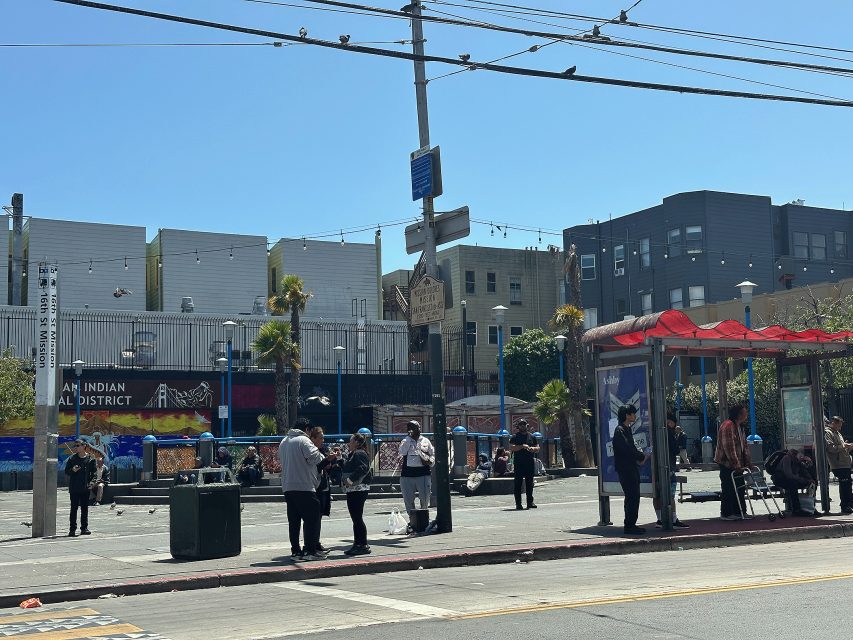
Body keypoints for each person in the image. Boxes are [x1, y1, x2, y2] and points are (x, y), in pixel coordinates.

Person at [279, 418, 326, 561]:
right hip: (304, 486)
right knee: (312, 518)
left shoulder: (283, 442)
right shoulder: (303, 440)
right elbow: (316, 458)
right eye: (310, 431)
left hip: (288, 486)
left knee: (294, 521)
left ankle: (295, 551)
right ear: (306, 429)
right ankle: (310, 551)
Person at [612, 405, 649, 534]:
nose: (635, 416)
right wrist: (641, 455)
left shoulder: (626, 429)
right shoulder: (620, 430)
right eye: (633, 413)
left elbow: (630, 448)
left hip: (630, 467)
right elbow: (627, 449)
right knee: (632, 496)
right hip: (625, 469)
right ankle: (629, 525)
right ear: (627, 415)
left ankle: (631, 523)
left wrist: (640, 456)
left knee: (633, 496)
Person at [714, 403, 752, 521]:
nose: (747, 415)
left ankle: (739, 511)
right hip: (727, 463)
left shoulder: (740, 427)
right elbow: (729, 447)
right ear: (739, 414)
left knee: (740, 487)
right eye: (745, 412)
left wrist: (748, 462)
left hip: (738, 463)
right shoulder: (728, 426)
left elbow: (744, 446)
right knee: (728, 487)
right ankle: (726, 513)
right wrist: (736, 464)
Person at [653, 414, 688, 529]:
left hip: (655, 469)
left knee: (657, 495)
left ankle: (659, 519)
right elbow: (675, 450)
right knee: (671, 495)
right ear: (670, 422)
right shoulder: (669, 433)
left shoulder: (653, 431)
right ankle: (673, 519)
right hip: (669, 467)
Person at [309, 426, 341, 553]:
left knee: (320, 515)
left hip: (324, 486)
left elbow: (330, 467)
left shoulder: (323, 450)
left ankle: (316, 541)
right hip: (315, 487)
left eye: (323, 438)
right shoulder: (310, 452)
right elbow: (314, 468)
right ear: (313, 438)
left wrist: (334, 460)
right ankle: (312, 543)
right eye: (320, 438)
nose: (323, 440)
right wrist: (327, 460)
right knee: (313, 516)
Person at [341, 432, 373, 555]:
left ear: (357, 442)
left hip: (359, 489)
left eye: (351, 441)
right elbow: (347, 467)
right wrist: (339, 459)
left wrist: (350, 480)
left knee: (357, 517)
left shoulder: (360, 453)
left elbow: (362, 468)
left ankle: (363, 544)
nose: (349, 443)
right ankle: (357, 543)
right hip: (354, 489)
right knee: (355, 517)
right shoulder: (353, 454)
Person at [398, 420, 435, 523]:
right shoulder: (405, 441)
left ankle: (424, 519)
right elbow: (402, 452)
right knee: (408, 500)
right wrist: (409, 440)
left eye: (414, 428)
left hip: (423, 474)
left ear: (419, 428)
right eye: (409, 428)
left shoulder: (425, 441)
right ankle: (413, 520)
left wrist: (430, 461)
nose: (412, 430)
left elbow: (432, 454)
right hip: (407, 475)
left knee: (424, 498)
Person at [772, 449, 816, 516]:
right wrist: (803, 480)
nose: (801, 460)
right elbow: (789, 475)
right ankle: (796, 509)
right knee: (793, 484)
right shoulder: (787, 458)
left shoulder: (798, 461)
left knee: (812, 482)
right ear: (796, 455)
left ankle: (811, 507)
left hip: (792, 479)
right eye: (800, 458)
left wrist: (809, 462)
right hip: (780, 479)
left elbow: (805, 471)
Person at [65, 439, 96, 536]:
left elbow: (94, 474)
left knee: (84, 509)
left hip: (85, 488)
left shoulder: (90, 459)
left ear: (84, 446)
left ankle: (84, 528)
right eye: (75, 445)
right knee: (73, 509)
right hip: (74, 488)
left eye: (78, 445)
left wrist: (91, 483)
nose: (76, 447)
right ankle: (72, 529)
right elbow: (66, 471)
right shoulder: (72, 459)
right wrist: (73, 470)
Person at [824, 416, 853, 514]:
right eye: (839, 426)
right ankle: (845, 505)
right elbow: (830, 448)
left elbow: (840, 447)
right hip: (838, 464)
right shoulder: (828, 433)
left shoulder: (837, 433)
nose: (840, 428)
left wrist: (847, 447)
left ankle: (848, 504)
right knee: (844, 485)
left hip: (845, 463)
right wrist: (843, 446)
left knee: (848, 485)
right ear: (833, 423)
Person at [509, 419, 539, 510]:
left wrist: (532, 449)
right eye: (521, 424)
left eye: (524, 424)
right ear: (518, 426)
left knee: (529, 483)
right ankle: (518, 504)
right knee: (518, 483)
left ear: (527, 425)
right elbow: (512, 448)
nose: (522, 426)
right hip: (519, 463)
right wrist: (522, 446)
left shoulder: (532, 436)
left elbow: (537, 447)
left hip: (529, 463)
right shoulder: (515, 437)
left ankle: (530, 502)